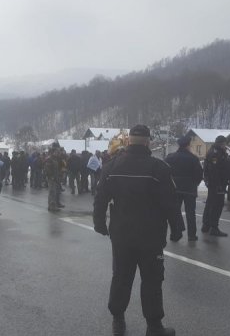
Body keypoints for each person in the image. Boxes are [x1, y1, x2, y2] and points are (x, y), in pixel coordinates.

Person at [93, 124, 178, 336]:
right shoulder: (159, 168)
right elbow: (170, 203)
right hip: (151, 235)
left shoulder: (112, 166)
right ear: (148, 141)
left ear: (128, 141)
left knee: (121, 276)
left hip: (122, 234)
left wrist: (99, 223)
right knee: (152, 280)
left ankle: (118, 320)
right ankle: (154, 326)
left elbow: (101, 198)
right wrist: (177, 228)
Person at [164, 136, 202, 242]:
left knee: (175, 212)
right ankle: (191, 235)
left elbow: (164, 172)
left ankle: (175, 234)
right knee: (190, 213)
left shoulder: (170, 157)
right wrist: (194, 184)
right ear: (188, 145)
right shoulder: (193, 158)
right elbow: (199, 175)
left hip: (174, 188)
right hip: (190, 189)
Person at [202, 135, 230, 237]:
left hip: (215, 183)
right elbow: (214, 170)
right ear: (221, 143)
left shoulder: (215, 151)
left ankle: (206, 225)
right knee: (217, 205)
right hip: (217, 184)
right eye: (224, 143)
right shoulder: (216, 153)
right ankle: (213, 227)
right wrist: (219, 185)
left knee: (210, 203)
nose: (225, 145)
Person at [44, 146, 63, 212]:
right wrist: (51, 176)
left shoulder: (55, 159)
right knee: (52, 192)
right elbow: (47, 169)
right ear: (52, 152)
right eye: (56, 152)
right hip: (51, 178)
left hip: (55, 177)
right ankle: (52, 206)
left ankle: (54, 205)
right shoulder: (49, 159)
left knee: (55, 192)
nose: (57, 153)